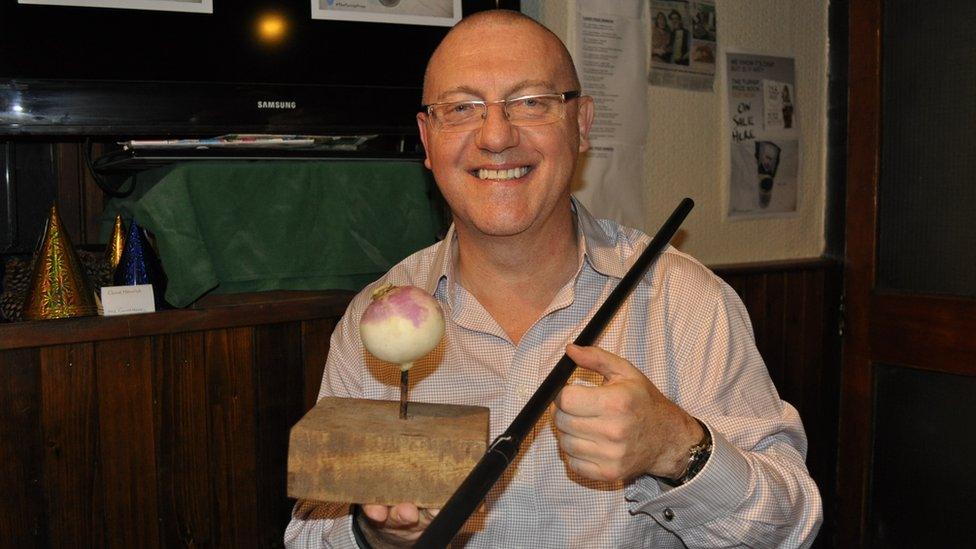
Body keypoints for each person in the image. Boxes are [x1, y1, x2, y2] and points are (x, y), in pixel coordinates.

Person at [286, 9, 822, 548]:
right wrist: (380, 538)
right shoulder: (374, 318)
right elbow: (310, 531)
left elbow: (790, 528)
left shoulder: (685, 303)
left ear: (582, 124)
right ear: (427, 138)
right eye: (462, 108)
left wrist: (676, 448)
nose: (495, 136)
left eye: (531, 103)